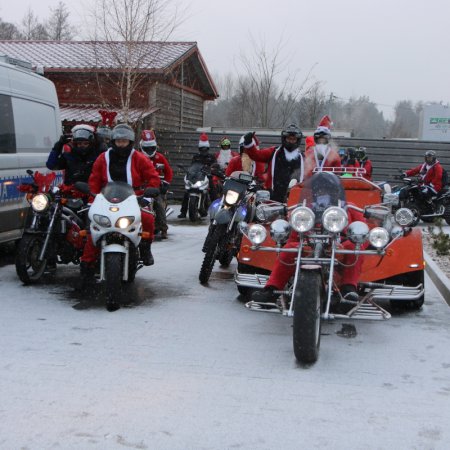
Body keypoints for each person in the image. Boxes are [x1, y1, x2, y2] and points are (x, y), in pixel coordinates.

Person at [251, 172, 368, 304]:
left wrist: (346, 241)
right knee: (288, 249)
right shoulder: (304, 209)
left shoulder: (349, 208)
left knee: (353, 248)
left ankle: (348, 288)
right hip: (309, 245)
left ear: (336, 192)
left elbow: (362, 235)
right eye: (319, 189)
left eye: (327, 189)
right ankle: (272, 288)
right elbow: (293, 238)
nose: (323, 193)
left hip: (338, 247)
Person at [80, 123, 160, 276]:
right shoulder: (103, 158)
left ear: (130, 142)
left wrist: (151, 190)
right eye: (119, 141)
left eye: (125, 141)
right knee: (93, 226)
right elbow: (94, 179)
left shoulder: (139, 158)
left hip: (134, 198)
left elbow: (152, 176)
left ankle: (145, 248)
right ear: (113, 142)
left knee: (148, 218)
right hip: (106, 198)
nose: (121, 144)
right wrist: (92, 196)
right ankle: (87, 262)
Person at [242, 124, 304, 202]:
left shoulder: (303, 158)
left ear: (297, 140)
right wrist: (249, 143)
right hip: (272, 197)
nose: (291, 141)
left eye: (293, 139)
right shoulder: (274, 152)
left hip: (294, 200)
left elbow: (309, 177)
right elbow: (256, 155)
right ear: (284, 139)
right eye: (289, 139)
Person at [140, 129, 173, 239]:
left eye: (151, 148)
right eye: (147, 148)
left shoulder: (160, 157)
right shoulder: (137, 157)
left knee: (159, 204)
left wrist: (166, 184)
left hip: (156, 188)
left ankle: (164, 228)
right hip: (140, 187)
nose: (149, 150)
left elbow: (168, 171)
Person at [178, 132, 219, 218]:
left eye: (205, 149)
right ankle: (183, 212)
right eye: (202, 149)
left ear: (207, 148)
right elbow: (192, 166)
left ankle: (217, 210)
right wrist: (189, 171)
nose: (203, 150)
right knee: (187, 192)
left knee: (212, 190)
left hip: (207, 176)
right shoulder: (196, 157)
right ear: (199, 149)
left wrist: (212, 169)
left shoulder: (211, 157)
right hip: (197, 177)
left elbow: (215, 165)